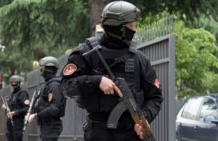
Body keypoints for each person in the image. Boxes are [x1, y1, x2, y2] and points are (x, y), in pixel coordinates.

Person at [60, 1, 163, 141]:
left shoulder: (139, 59)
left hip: (130, 133)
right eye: (130, 25)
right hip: (98, 134)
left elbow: (155, 97)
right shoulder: (87, 53)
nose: (134, 30)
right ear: (117, 27)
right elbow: (67, 87)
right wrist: (97, 81)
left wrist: (144, 117)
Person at [28, 56, 65, 141]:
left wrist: (36, 115)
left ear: (46, 68)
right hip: (47, 125)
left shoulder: (54, 86)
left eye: (42, 67)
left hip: (51, 126)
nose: (41, 70)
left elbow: (54, 109)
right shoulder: (48, 85)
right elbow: (44, 104)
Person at [2, 75, 30, 141]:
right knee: (9, 137)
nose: (13, 83)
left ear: (19, 82)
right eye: (12, 82)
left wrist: (14, 112)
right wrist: (5, 106)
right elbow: (11, 106)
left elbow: (27, 109)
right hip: (10, 121)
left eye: (15, 82)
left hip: (18, 121)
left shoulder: (22, 94)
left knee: (17, 138)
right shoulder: (12, 94)